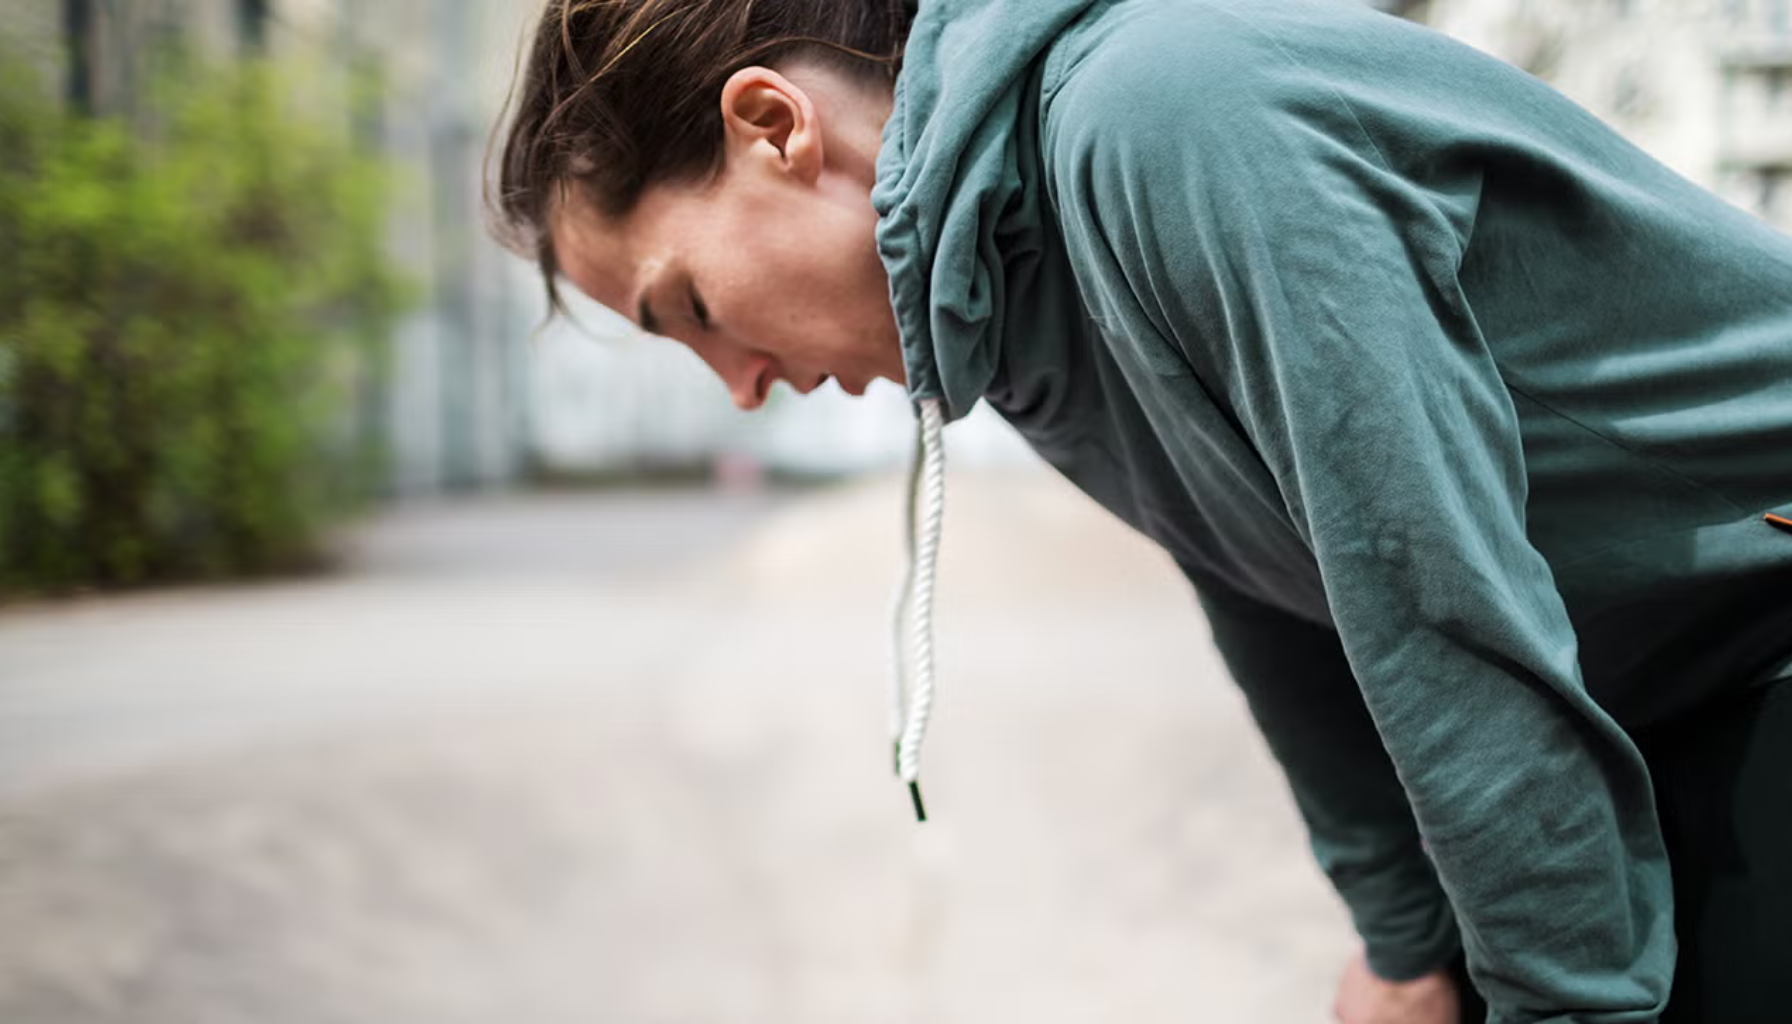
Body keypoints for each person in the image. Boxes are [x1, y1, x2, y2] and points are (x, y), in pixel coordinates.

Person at [489, 0, 1792, 1020]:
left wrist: (1563, 1005)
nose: (739, 389)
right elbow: (1272, 581)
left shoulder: (1167, 116)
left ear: (776, 127)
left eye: (694, 310)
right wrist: (1403, 946)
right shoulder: (996, 279)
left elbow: (1434, 604)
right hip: (1667, 693)